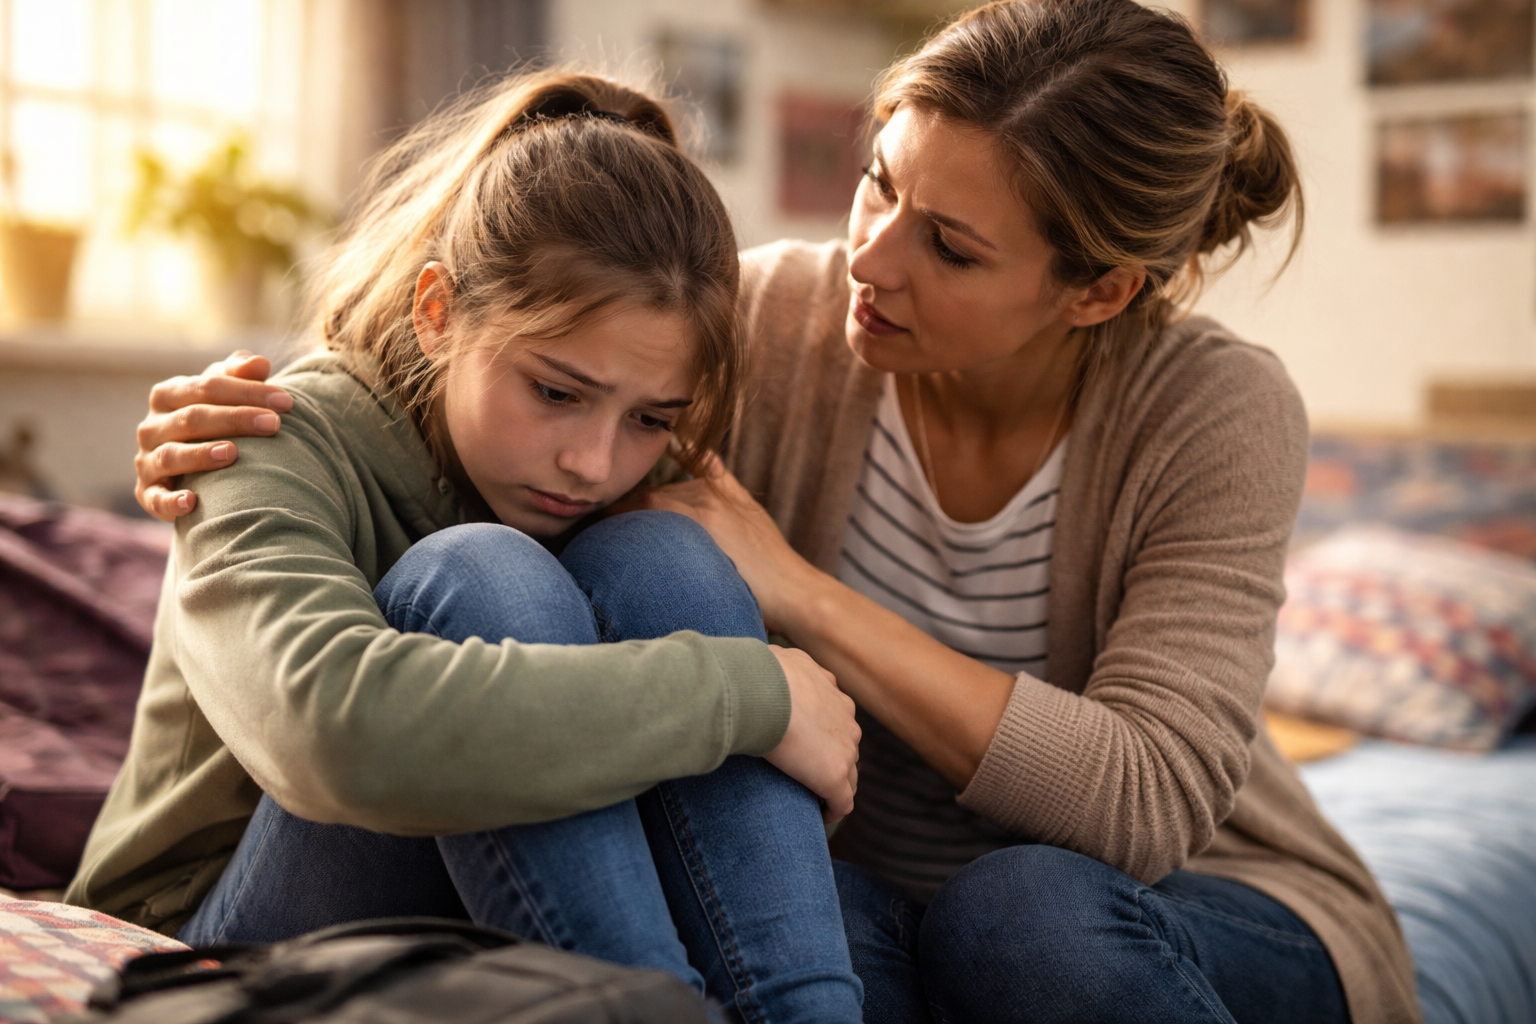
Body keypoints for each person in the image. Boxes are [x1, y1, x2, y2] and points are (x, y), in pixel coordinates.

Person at [128, 2, 1423, 1022]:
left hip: (1171, 894)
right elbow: (480, 347)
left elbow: (1144, 804)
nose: (871, 254)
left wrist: (795, 599)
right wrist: (253, 427)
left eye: (951, 247)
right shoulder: (765, 319)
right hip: (847, 883)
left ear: (1094, 293)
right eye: (878, 184)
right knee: (630, 564)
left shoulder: (1214, 410)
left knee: (1019, 915)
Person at [70, 70, 868, 1024]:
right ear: (438, 311)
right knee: (483, 574)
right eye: (556, 390)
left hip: (479, 925)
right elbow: (332, 734)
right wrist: (751, 692)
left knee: (667, 556)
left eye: (652, 417)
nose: (591, 462)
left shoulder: (627, 494)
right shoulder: (255, 436)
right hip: (210, 935)